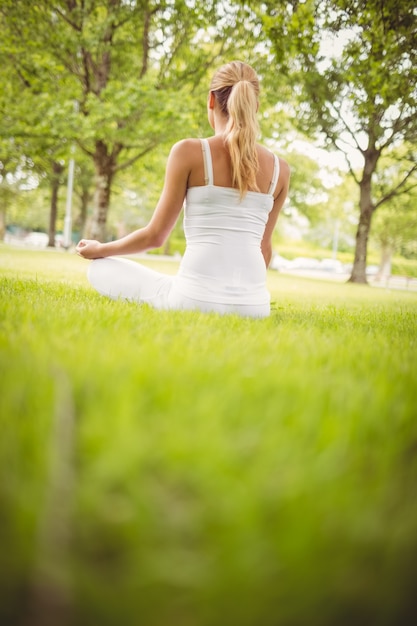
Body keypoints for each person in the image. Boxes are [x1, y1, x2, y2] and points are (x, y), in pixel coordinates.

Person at [76, 61, 290, 318]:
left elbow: (155, 237)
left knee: (99, 269)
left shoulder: (188, 152)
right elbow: (263, 248)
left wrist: (99, 249)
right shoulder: (281, 169)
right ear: (255, 106)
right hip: (255, 307)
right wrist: (243, 297)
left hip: (193, 298)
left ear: (211, 101)